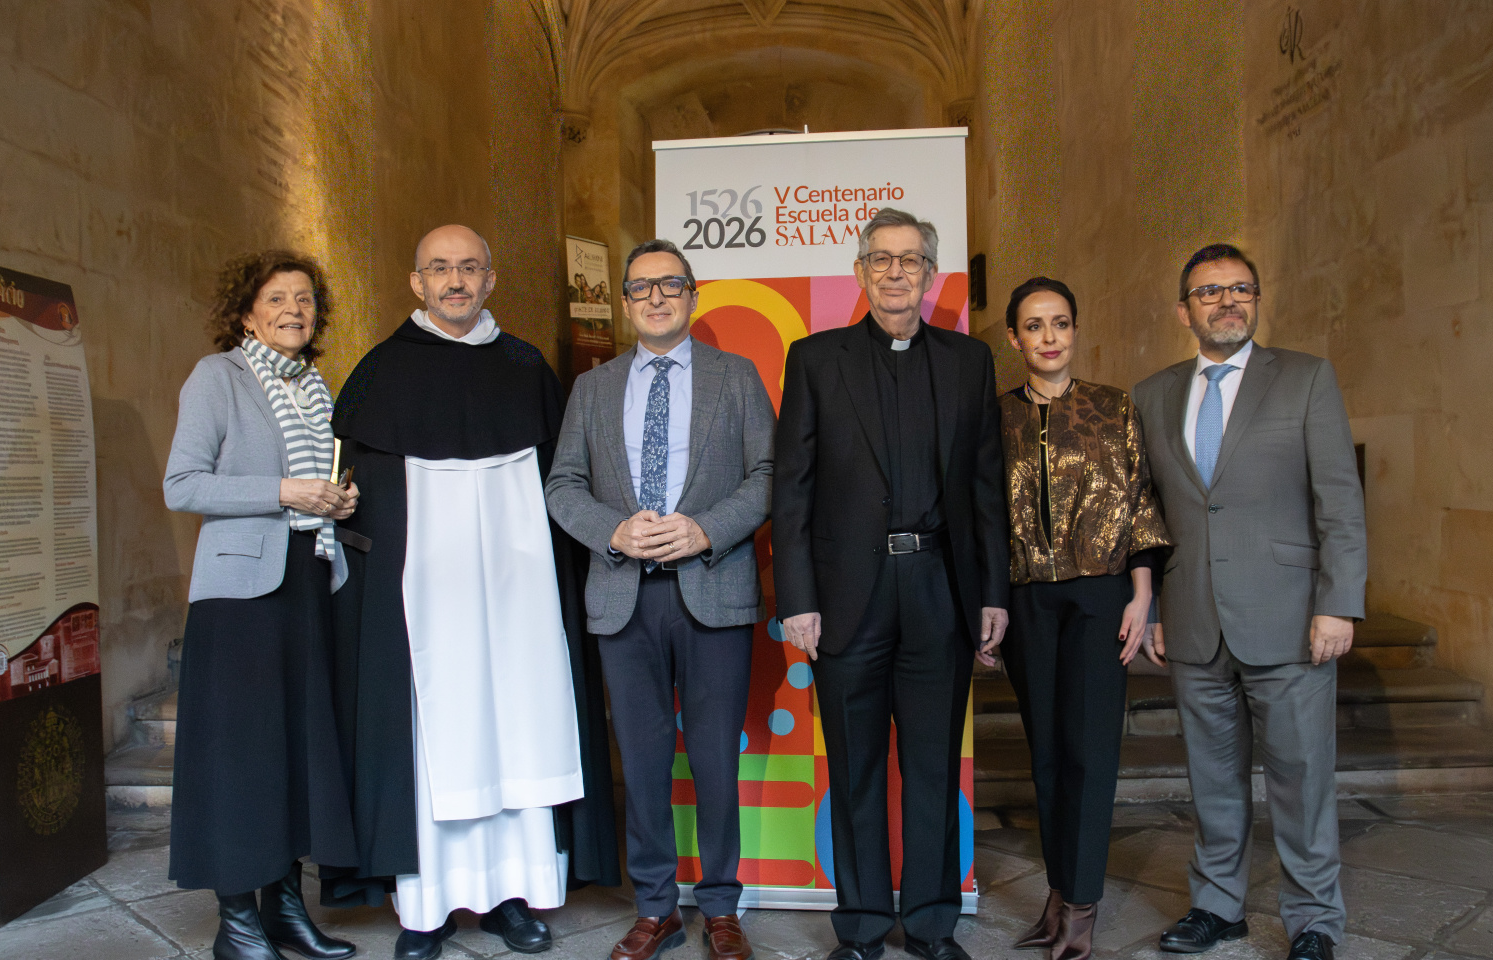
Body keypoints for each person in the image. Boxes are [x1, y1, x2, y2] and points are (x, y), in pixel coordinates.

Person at [321, 225, 620, 960]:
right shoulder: (379, 373)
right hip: (422, 600)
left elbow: (565, 481)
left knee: (522, 721)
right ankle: (423, 910)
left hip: (521, 596)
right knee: (433, 736)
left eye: (469, 268)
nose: (455, 280)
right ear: (416, 282)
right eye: (439, 269)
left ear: (490, 280)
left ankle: (513, 898)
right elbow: (356, 497)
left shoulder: (526, 368)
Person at [772, 208, 1008, 960]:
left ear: (931, 276)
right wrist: (797, 599)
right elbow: (793, 490)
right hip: (846, 596)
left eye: (911, 260)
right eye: (883, 259)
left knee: (934, 765)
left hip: (940, 589)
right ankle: (865, 925)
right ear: (861, 272)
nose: (897, 272)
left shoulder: (969, 363)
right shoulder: (815, 359)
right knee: (855, 767)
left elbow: (984, 489)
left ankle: (934, 923)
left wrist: (992, 594)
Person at [1133, 244, 1365, 960]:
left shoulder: (1304, 379)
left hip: (1290, 618)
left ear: (1258, 300)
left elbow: (1339, 501)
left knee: (1301, 781)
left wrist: (1340, 603)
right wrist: (1157, 608)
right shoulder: (1153, 394)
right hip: (1195, 620)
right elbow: (1149, 513)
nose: (1227, 301)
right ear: (1184, 311)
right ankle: (1218, 906)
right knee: (1211, 778)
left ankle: (1315, 919)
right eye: (1209, 293)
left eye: (1240, 289)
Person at [546, 240, 776, 960]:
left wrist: (704, 529)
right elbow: (561, 487)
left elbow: (768, 474)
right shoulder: (591, 387)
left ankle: (720, 907)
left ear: (692, 293)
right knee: (642, 764)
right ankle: (655, 908)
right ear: (623, 299)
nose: (655, 297)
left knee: (714, 760)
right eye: (641, 287)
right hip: (623, 597)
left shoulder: (737, 379)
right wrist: (614, 529)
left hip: (713, 589)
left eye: (669, 285)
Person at [163, 250, 360, 960]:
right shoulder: (219, 378)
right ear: (246, 313)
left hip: (309, 583)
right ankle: (236, 925)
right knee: (240, 758)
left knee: (296, 755)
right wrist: (285, 491)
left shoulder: (316, 386)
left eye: (304, 299)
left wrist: (337, 497)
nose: (293, 311)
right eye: (276, 299)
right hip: (240, 600)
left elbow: (321, 480)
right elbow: (183, 485)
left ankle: (284, 911)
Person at [995, 277, 1172, 960]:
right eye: (1034, 326)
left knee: (1090, 753)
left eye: (1060, 324)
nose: (1048, 337)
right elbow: (984, 516)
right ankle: (1059, 889)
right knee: (1045, 753)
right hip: (1026, 598)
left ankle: (1084, 905)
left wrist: (1141, 594)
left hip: (1101, 595)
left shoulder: (1112, 406)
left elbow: (1141, 504)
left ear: (1075, 331)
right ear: (1015, 337)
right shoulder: (997, 417)